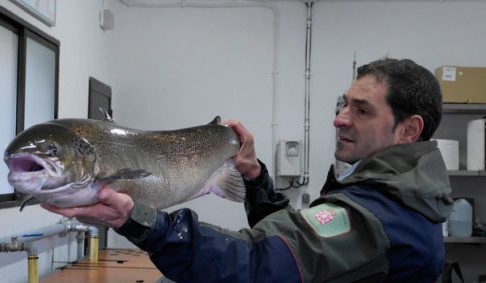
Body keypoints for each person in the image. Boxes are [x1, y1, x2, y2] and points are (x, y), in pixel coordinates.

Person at [42, 58, 453, 282]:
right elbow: (297, 247)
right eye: (343, 104)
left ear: (408, 129)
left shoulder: (378, 214)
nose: (340, 119)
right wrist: (255, 177)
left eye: (361, 110)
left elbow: (255, 263)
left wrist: (139, 220)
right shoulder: (387, 191)